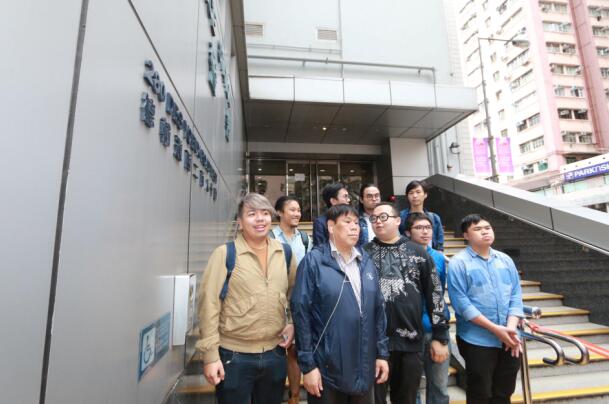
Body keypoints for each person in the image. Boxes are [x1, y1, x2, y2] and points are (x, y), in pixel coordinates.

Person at [196, 193, 297, 404]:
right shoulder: (225, 254)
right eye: (252, 214)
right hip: (234, 356)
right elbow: (209, 306)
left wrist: (291, 322)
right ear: (240, 223)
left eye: (265, 213)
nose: (260, 219)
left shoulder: (284, 253)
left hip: (275, 354)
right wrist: (211, 356)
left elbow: (294, 294)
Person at [291, 204, 389, 404]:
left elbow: (378, 311)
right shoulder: (313, 262)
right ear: (330, 226)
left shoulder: (366, 262)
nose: (354, 227)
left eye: (357, 223)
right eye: (347, 222)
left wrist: (382, 354)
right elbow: (301, 314)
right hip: (327, 370)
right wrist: (308, 366)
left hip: (364, 365)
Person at [363, 203, 449, 404]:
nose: (378, 222)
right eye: (374, 218)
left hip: (410, 340)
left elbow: (435, 294)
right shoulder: (363, 254)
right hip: (373, 344)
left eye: (383, 217)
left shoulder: (419, 253)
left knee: (407, 398)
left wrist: (440, 336)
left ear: (398, 220)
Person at [447, 214, 524, 404]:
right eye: (477, 229)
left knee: (504, 392)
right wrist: (496, 330)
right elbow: (462, 304)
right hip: (477, 340)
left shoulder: (505, 260)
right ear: (466, 235)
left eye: (487, 228)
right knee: (480, 392)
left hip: (510, 337)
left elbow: (515, 295)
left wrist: (510, 329)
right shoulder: (458, 263)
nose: (485, 232)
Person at [271, 195, 312, 404]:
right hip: (274, 299)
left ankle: (294, 397)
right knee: (277, 348)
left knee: (295, 350)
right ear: (280, 213)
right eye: (292, 210)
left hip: (299, 298)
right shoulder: (269, 236)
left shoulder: (305, 239)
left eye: (298, 210)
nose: (297, 214)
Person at [406, 213, 451, 404]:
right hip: (410, 329)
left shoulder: (438, 258)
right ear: (408, 232)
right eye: (419, 228)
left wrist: (440, 335)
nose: (425, 232)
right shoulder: (401, 256)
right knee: (410, 387)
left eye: (428, 228)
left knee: (439, 387)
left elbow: (438, 293)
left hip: (435, 329)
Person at [398, 181, 445, 251]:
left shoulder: (434, 218)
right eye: (411, 193)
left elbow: (439, 242)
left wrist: (438, 253)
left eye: (418, 192)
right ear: (407, 196)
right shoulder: (400, 217)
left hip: (429, 254)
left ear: (425, 194)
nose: (415, 196)